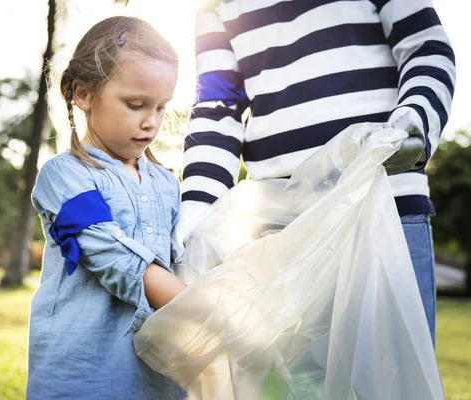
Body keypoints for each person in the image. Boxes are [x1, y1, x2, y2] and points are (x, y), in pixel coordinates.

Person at [178, 0, 456, 345]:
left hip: (387, 205)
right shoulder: (213, 6)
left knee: (393, 374)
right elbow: (218, 106)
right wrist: (199, 205)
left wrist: (417, 116)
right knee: (289, 390)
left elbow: (425, 49)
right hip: (280, 228)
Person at [26, 16, 187, 400]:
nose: (151, 122)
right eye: (135, 105)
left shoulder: (168, 184)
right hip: (81, 380)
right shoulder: (64, 176)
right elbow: (110, 252)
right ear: (82, 93)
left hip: (157, 382)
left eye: (162, 108)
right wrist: (198, 306)